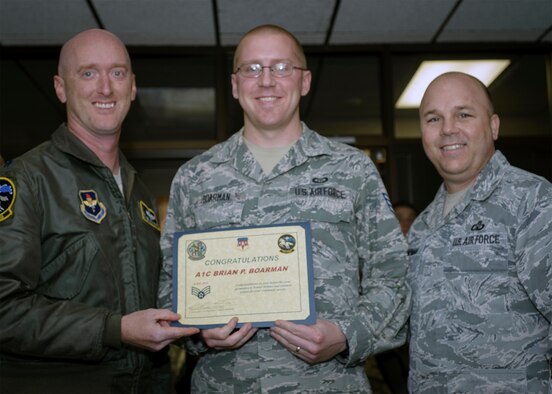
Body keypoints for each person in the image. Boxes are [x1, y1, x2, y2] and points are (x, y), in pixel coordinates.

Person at [158, 24, 410, 393]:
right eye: (252, 68)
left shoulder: (352, 169)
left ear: (305, 81)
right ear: (234, 85)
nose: (266, 81)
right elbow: (169, 285)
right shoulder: (194, 178)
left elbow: (393, 275)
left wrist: (347, 334)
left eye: (281, 67)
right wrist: (198, 331)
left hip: (328, 384)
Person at [0, 29, 198, 394]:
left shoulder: (138, 192)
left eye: (117, 73)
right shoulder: (26, 179)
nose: (105, 88)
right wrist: (114, 330)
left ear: (133, 87)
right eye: (88, 73)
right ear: (61, 88)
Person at [408, 71, 552, 393]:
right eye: (434, 118)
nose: (447, 129)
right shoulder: (422, 227)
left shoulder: (532, 201)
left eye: (463, 114)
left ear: (493, 126)